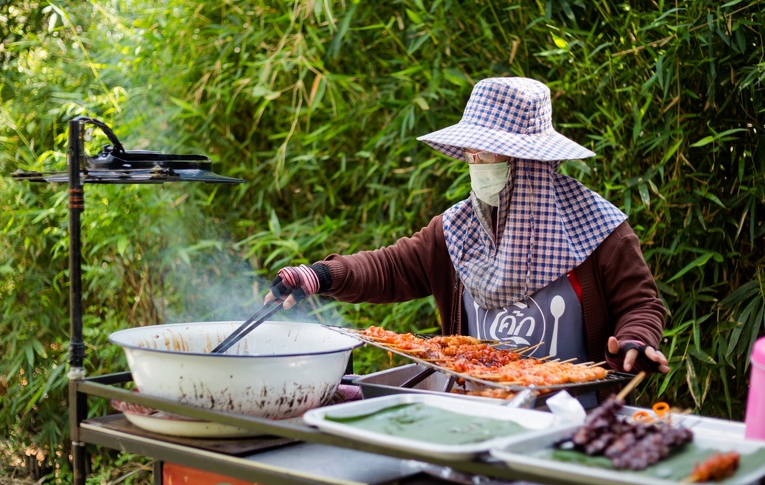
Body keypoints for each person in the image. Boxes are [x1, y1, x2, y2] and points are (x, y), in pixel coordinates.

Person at [265, 77, 669, 376]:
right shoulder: (457, 229)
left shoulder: (597, 229)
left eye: (487, 154)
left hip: (572, 416)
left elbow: (640, 304)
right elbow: (391, 267)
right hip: (478, 406)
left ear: (528, 161)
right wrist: (321, 275)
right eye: (470, 154)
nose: (475, 165)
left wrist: (635, 341)